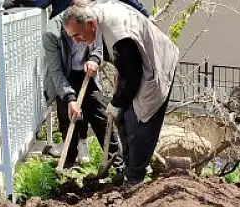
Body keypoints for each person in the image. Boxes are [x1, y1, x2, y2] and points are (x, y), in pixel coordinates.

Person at [62, 0, 179, 186]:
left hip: (156, 66)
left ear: (90, 24)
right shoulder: (93, 16)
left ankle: (134, 179)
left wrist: (117, 102)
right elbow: (123, 65)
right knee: (122, 118)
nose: (75, 41)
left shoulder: (118, 34)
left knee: (137, 122)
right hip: (135, 66)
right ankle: (128, 170)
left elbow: (133, 76)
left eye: (76, 35)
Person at [43, 0, 121, 170]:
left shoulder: (92, 21)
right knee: (68, 120)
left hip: (87, 75)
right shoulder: (51, 33)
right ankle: (69, 166)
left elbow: (98, 48)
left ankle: (119, 165)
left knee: (100, 116)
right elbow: (56, 72)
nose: (77, 41)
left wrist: (94, 60)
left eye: (79, 35)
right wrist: (70, 98)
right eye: (73, 36)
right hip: (65, 77)